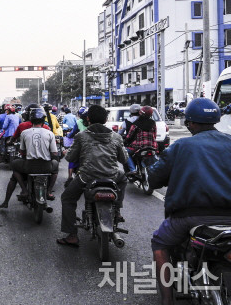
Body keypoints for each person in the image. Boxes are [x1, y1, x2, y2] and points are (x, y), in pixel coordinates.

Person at [148, 98, 231, 305]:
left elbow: (155, 178)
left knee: (159, 244)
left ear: (190, 123)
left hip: (189, 217)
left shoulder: (181, 146)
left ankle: (167, 299)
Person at [57, 105, 128, 247]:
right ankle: (118, 209)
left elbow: (70, 158)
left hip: (87, 177)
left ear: (88, 119)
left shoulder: (81, 136)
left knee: (67, 198)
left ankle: (72, 235)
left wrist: (68, 153)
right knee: (124, 178)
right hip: (112, 176)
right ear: (106, 119)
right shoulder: (116, 137)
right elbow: (124, 159)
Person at [0, 107, 57, 208]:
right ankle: (48, 191)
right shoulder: (49, 132)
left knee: (14, 166)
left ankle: (23, 191)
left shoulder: (24, 132)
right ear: (43, 120)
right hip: (46, 166)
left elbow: (22, 151)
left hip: (29, 166)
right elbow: (55, 153)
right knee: (56, 166)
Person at [124, 105, 157, 175]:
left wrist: (125, 140)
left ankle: (133, 169)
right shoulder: (153, 123)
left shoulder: (136, 123)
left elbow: (129, 136)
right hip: (152, 146)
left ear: (140, 113)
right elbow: (155, 135)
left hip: (139, 147)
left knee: (125, 152)